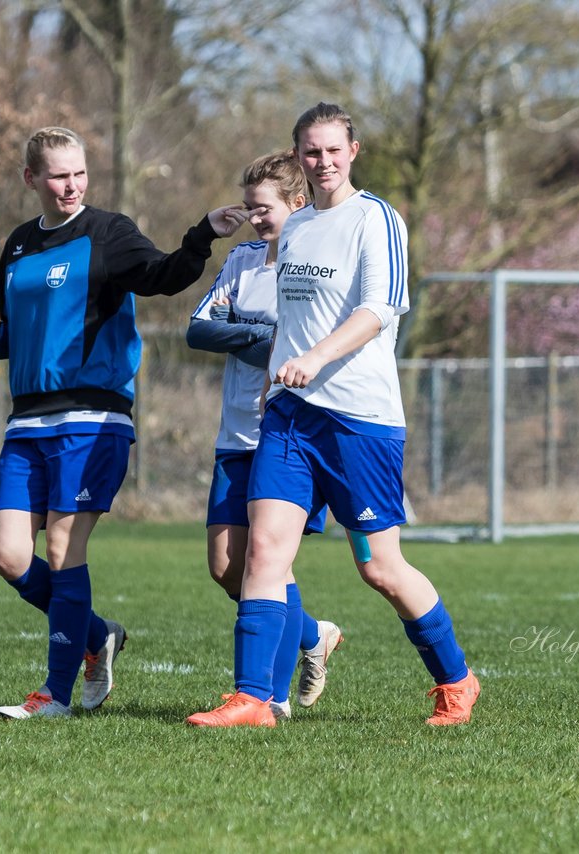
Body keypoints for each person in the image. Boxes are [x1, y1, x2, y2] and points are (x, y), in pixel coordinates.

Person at [187, 103, 479, 728]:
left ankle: (457, 681)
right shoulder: (292, 230)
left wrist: (316, 359)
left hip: (359, 421)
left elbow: (380, 308)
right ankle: (252, 699)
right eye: (310, 152)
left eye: (332, 150)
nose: (322, 162)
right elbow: (291, 323)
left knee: (379, 567)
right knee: (263, 551)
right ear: (298, 158)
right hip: (290, 417)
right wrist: (276, 380)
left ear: (354, 151)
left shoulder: (376, 219)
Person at [0, 126, 250, 719]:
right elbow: (16, 340)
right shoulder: (18, 246)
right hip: (28, 425)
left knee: (66, 547)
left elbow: (163, 275)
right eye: (58, 175)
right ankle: (97, 637)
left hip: (92, 420)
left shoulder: (108, 233)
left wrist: (201, 237)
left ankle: (55, 695)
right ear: (31, 179)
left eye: (79, 173)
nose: (71, 186)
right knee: (8, 555)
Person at [186, 150, 345, 720]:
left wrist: (253, 333)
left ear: (297, 204)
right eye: (249, 208)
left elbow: (316, 340)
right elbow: (199, 329)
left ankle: (270, 699)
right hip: (235, 433)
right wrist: (266, 337)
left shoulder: (313, 263)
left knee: (267, 561)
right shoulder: (242, 261)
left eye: (264, 209)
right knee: (225, 567)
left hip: (289, 433)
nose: (254, 219)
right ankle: (312, 635)